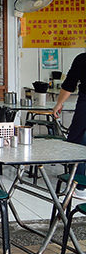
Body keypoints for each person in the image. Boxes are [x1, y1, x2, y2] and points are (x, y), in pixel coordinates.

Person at [52, 52, 86, 198]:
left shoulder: (82, 59)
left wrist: (59, 103)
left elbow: (69, 85)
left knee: (76, 143)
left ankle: (79, 186)